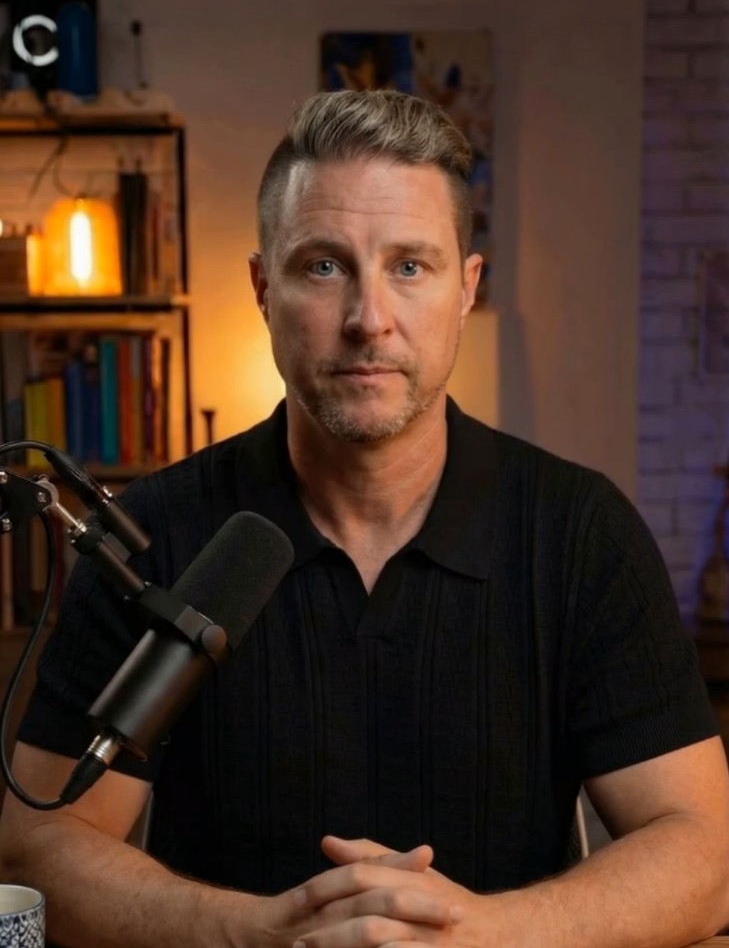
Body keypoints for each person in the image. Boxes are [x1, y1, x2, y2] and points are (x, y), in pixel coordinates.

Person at [1, 88, 728, 948]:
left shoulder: (579, 533)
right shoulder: (153, 537)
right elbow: (37, 848)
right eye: (323, 266)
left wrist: (486, 935)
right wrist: (259, 934)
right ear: (262, 287)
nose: (368, 319)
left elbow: (705, 851)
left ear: (466, 288)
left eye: (409, 267)